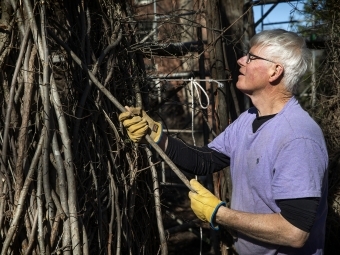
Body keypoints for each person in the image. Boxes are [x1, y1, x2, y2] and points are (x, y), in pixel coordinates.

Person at [118, 29, 328, 255]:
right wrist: (156, 135)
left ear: (275, 71)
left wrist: (219, 214)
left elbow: (294, 232)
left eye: (251, 57)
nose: (240, 60)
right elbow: (205, 161)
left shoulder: (297, 137)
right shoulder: (249, 119)